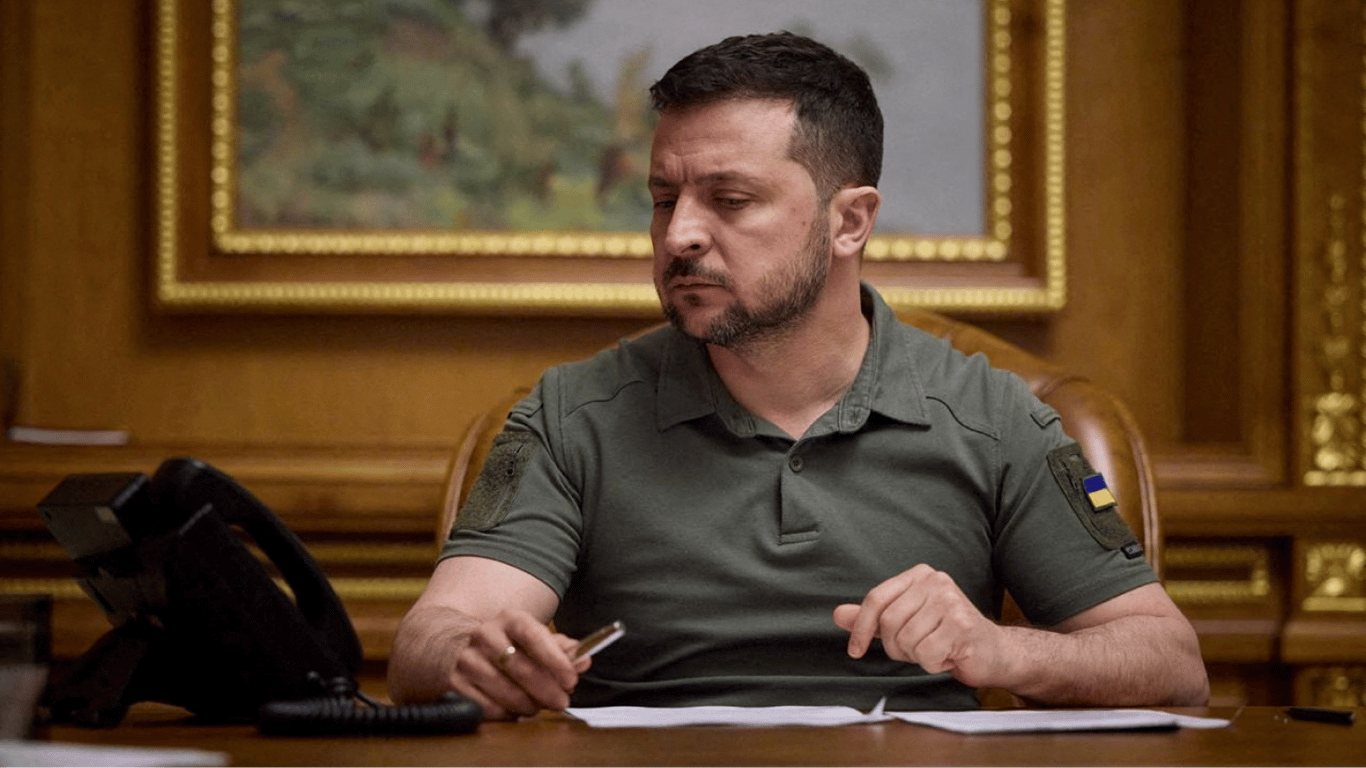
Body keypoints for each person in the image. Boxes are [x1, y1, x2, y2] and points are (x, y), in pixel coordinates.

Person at [389, 31, 1208, 719]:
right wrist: (471, 656)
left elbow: (1170, 663)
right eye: (664, 199)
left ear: (849, 221)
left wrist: (1002, 650)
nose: (679, 236)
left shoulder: (995, 416)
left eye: (730, 200)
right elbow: (432, 636)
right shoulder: (570, 413)